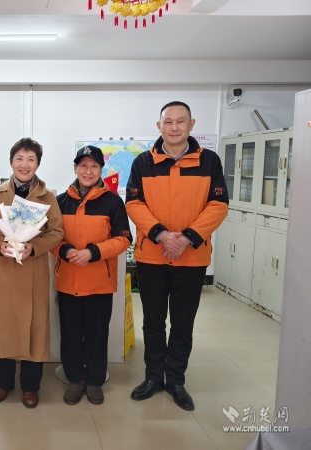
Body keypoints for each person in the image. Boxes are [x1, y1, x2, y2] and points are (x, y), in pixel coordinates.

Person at [125, 101, 229, 411]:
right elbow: (134, 204)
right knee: (153, 322)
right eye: (168, 122)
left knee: (183, 323)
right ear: (159, 126)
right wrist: (161, 234)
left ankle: (176, 381)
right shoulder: (143, 162)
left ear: (191, 124)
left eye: (180, 121)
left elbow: (218, 205)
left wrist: (186, 238)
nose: (174, 127)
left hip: (191, 258)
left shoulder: (209, 161)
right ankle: (153, 377)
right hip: (152, 257)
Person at [0, 137, 63, 409]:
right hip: (5, 269)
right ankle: (3, 383)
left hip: (33, 269)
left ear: (38, 164)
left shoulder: (48, 197)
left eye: (30, 160)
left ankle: (30, 387)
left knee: (35, 329)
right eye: (19, 159)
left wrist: (34, 247)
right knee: (4, 326)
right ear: (11, 161)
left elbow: (57, 231)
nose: (24, 165)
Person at [52, 146, 132, 405]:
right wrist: (65, 251)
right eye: (83, 166)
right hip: (68, 280)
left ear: (101, 170)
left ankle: (95, 381)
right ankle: (75, 379)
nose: (88, 171)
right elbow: (50, 237)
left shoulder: (113, 202)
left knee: (97, 334)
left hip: (99, 282)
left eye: (94, 166)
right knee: (71, 333)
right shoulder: (60, 201)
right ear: (75, 169)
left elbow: (123, 239)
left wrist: (93, 252)